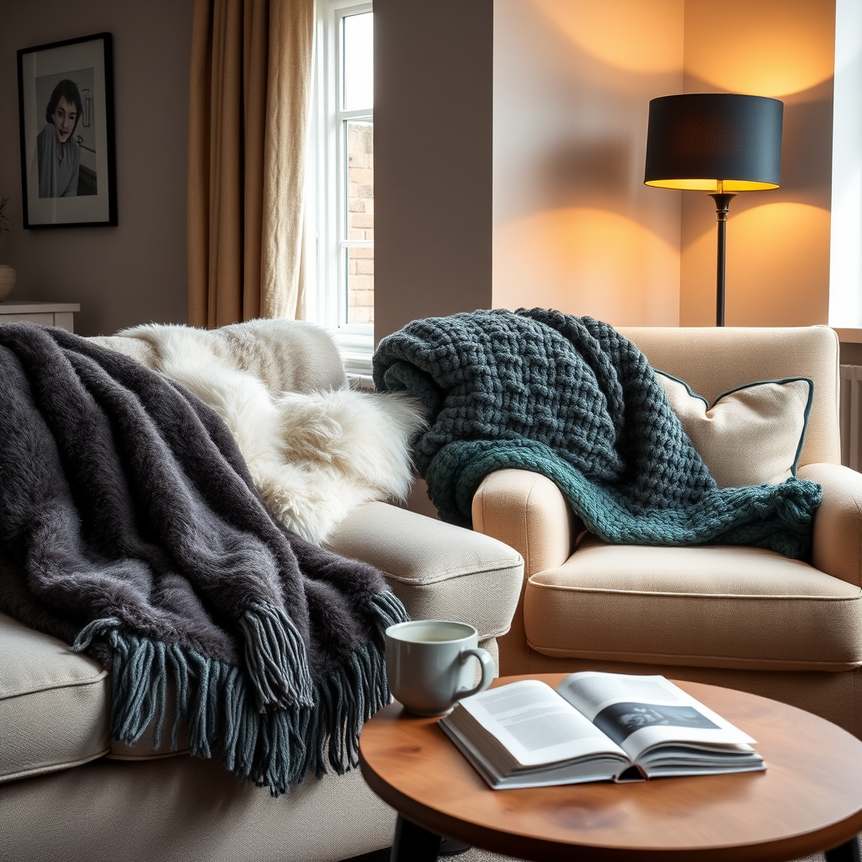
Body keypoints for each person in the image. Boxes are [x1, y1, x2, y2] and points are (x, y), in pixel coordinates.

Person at [36, 79, 83, 198]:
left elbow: (70, 200)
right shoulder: (48, 133)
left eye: (71, 117)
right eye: (60, 114)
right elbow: (44, 195)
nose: (65, 124)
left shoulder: (75, 153)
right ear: (52, 114)